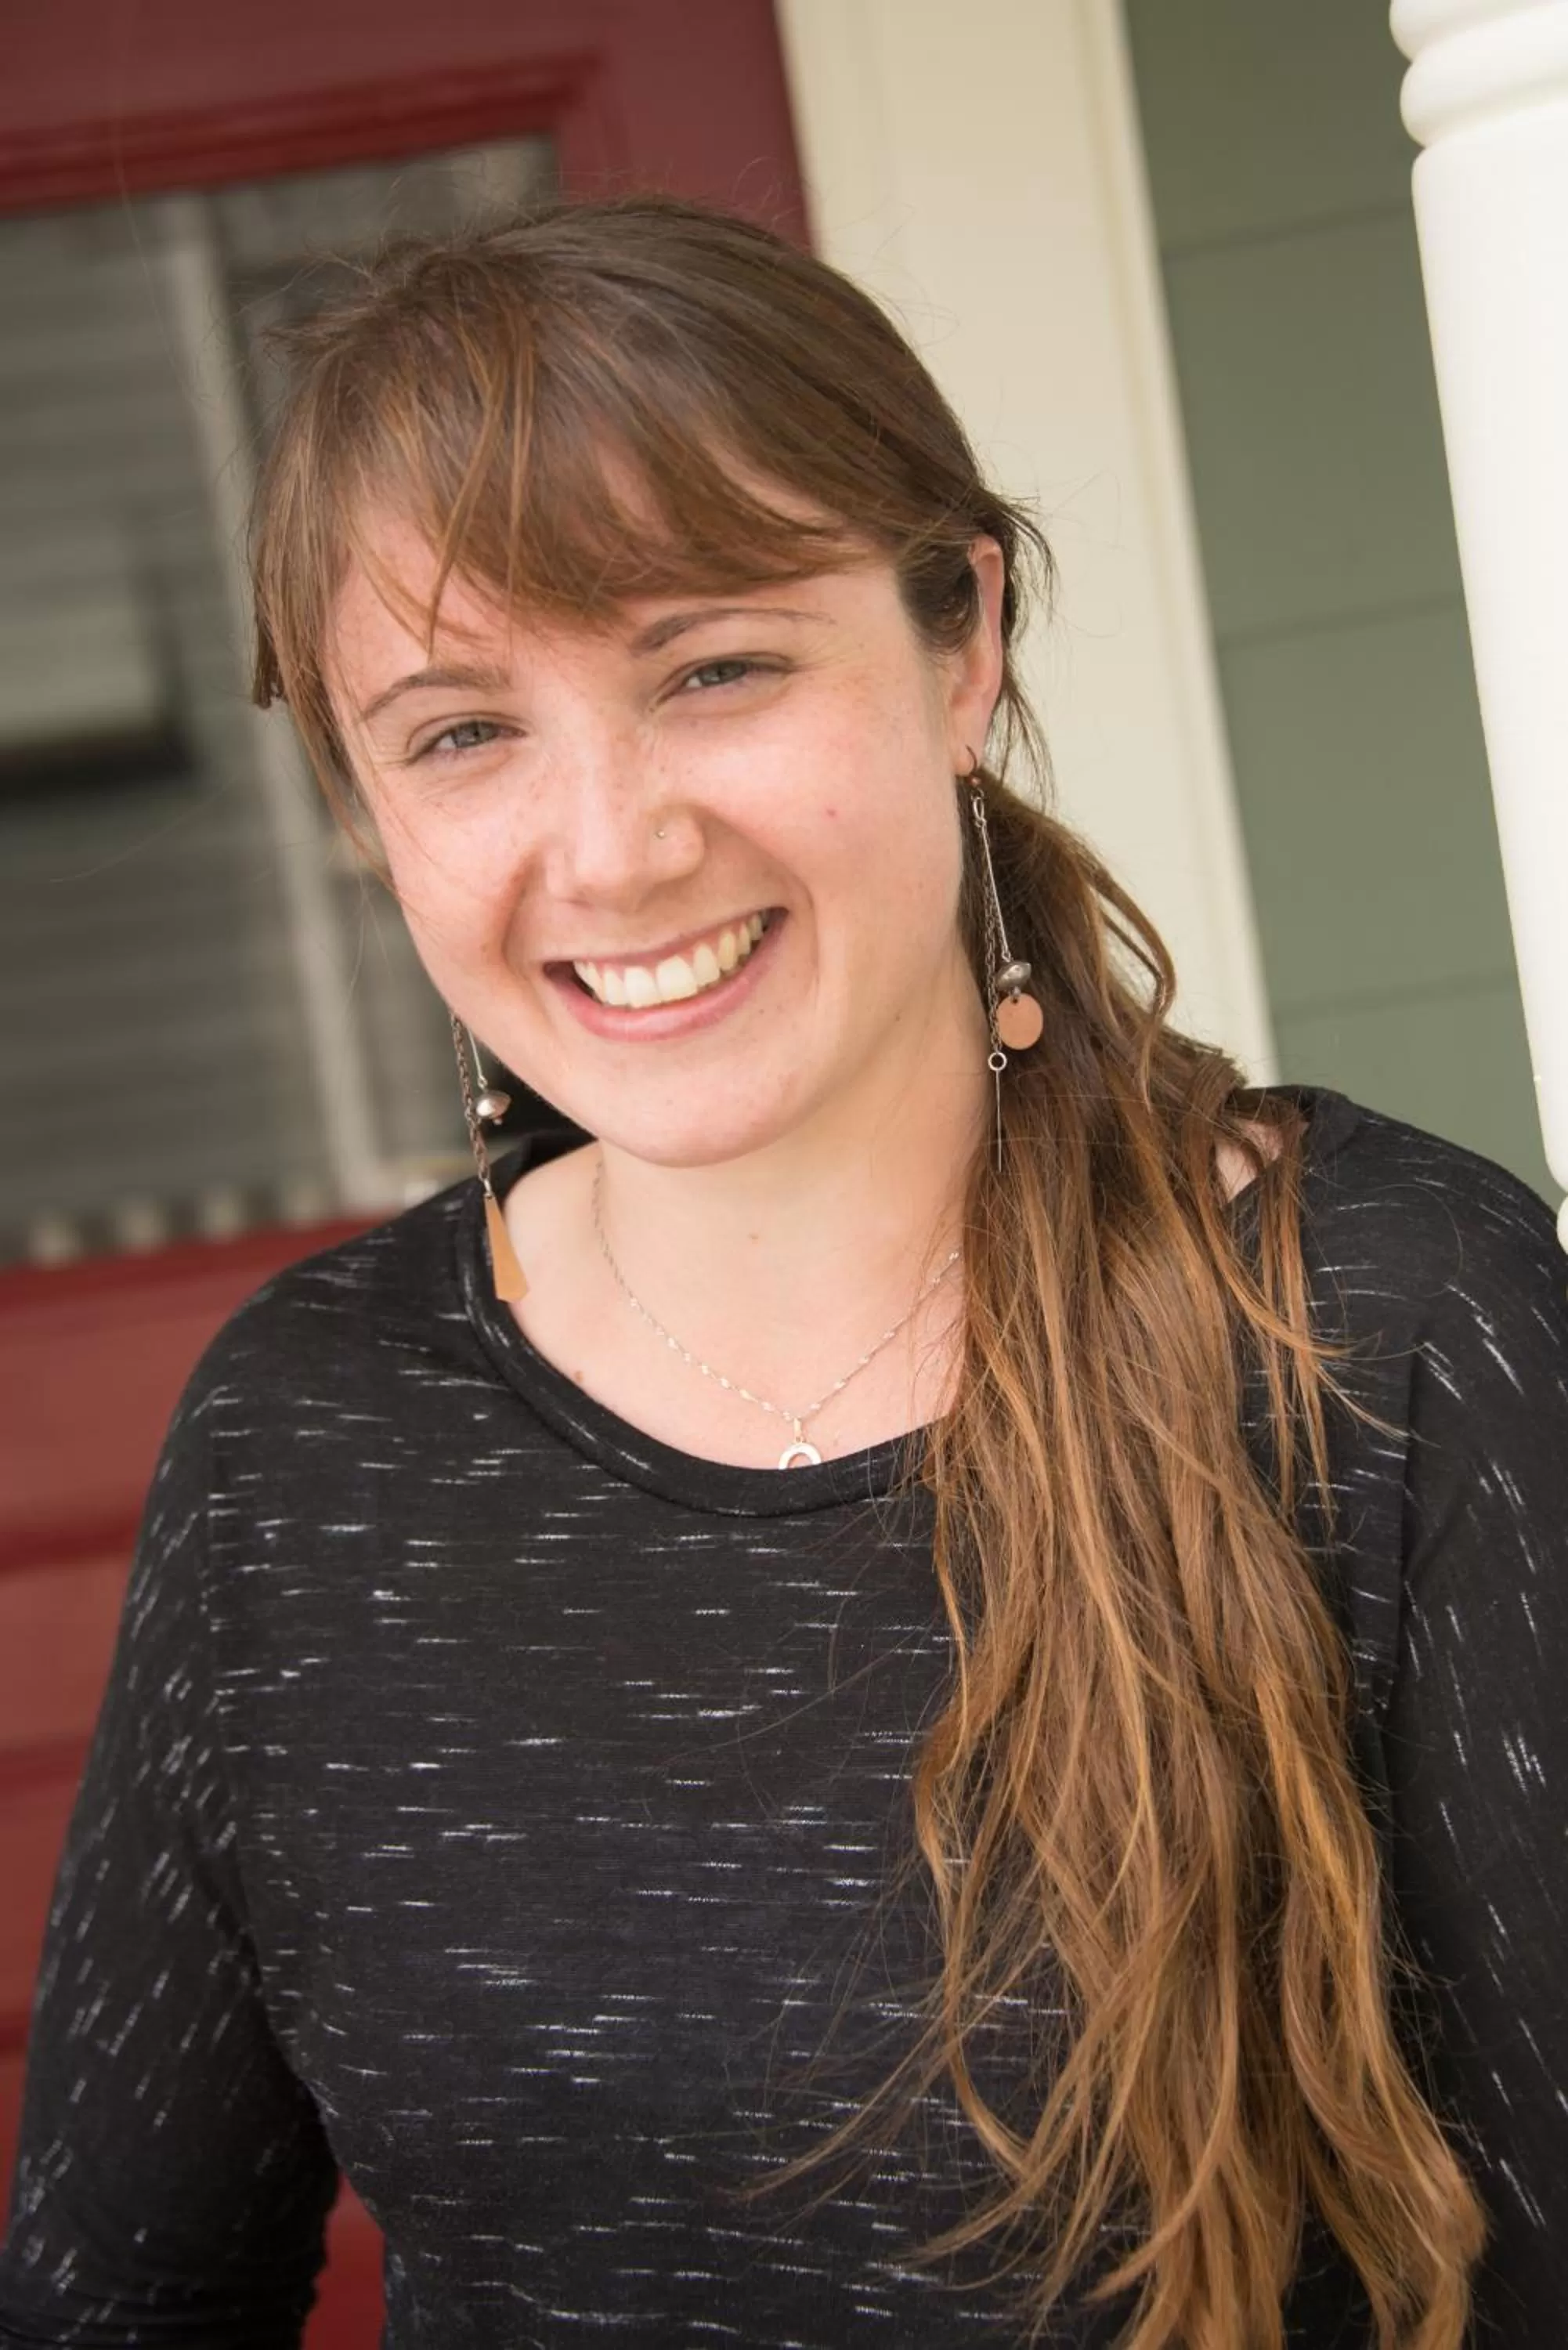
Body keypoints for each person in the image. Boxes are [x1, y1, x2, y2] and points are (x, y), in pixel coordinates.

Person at [1, 195, 1563, 2350]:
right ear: (363, 806)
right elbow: (122, 2291)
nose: (616, 842)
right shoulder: (309, 1445)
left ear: (963, 645)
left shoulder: (1384, 1329)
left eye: (715, 668)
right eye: (462, 732)